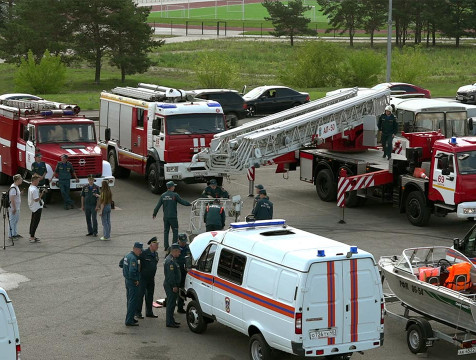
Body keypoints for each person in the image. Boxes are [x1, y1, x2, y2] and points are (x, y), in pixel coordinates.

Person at [152, 181, 191, 251]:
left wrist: (154, 213)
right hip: (173, 217)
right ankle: (174, 245)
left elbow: (158, 206)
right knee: (175, 231)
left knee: (166, 231)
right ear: (171, 187)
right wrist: (190, 204)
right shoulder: (175, 195)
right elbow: (182, 201)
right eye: (174, 186)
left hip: (166, 217)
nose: (174, 187)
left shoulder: (163, 195)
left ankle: (166, 246)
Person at [136, 237, 159, 319]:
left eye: (157, 244)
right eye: (156, 244)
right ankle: (138, 312)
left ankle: (149, 312)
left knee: (150, 295)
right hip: (143, 278)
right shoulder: (144, 253)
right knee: (140, 295)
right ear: (151, 245)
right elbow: (136, 260)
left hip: (151, 278)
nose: (157, 246)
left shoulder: (155, 254)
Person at [122, 242, 143, 326]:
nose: (140, 252)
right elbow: (132, 271)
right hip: (132, 282)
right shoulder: (133, 258)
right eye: (140, 250)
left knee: (129, 300)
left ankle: (130, 317)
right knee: (133, 301)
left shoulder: (127, 255)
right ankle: (129, 320)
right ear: (136, 249)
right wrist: (136, 280)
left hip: (127, 280)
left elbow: (121, 264)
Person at [163, 243, 181, 328]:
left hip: (171, 285)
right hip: (170, 286)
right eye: (178, 251)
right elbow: (170, 276)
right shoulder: (170, 261)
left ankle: (171, 320)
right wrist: (174, 286)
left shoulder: (173, 259)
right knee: (170, 304)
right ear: (174, 251)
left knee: (172, 303)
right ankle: (169, 322)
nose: (179, 253)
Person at [176, 233, 191, 313]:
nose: (183, 243)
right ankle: (171, 303)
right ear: (178, 240)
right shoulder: (174, 248)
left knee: (182, 289)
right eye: (182, 242)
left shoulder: (188, 247)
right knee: (174, 289)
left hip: (185, 271)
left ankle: (180, 306)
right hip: (176, 272)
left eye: (184, 242)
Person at [28, 174, 44, 243]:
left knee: (33, 221)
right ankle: (32, 237)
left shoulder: (31, 187)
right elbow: (36, 199)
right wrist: (42, 193)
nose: (38, 182)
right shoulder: (34, 189)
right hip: (36, 207)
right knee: (35, 222)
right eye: (37, 181)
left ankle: (32, 235)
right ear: (34, 181)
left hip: (33, 207)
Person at [8, 174, 23, 241]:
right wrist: (14, 208)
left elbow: (15, 196)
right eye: (21, 179)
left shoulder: (16, 187)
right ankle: (11, 234)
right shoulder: (13, 187)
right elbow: (12, 199)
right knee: (12, 221)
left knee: (15, 220)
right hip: (14, 207)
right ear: (17, 180)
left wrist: (20, 193)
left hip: (17, 207)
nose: (21, 180)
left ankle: (15, 233)